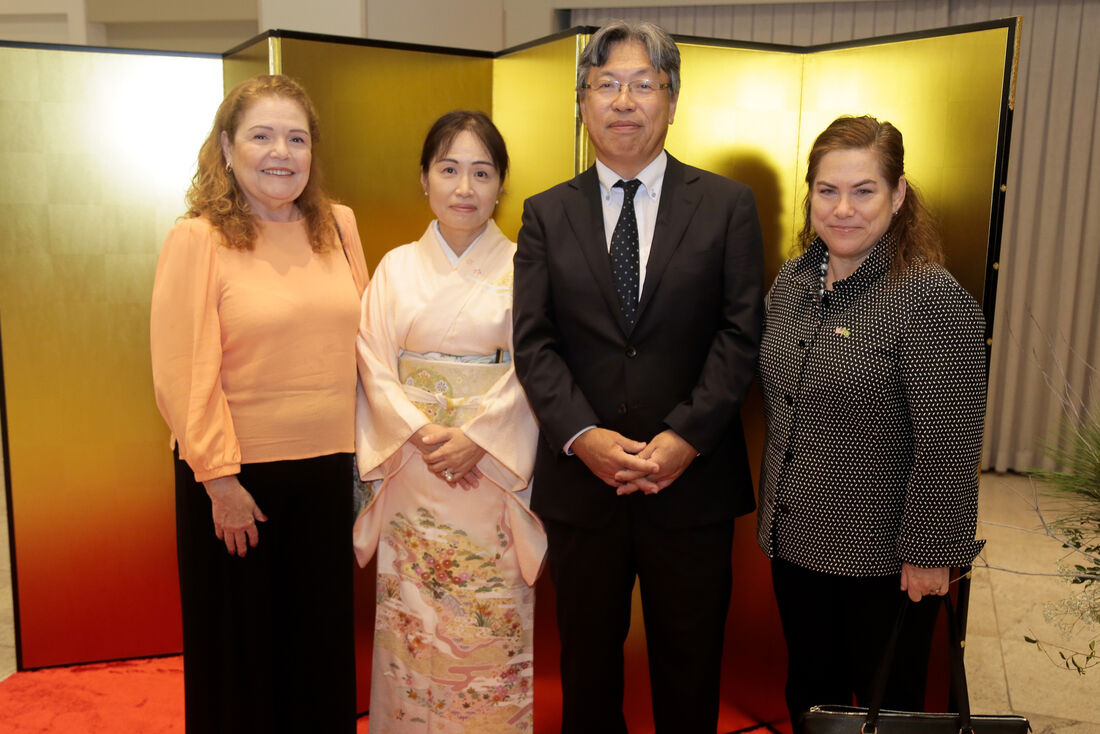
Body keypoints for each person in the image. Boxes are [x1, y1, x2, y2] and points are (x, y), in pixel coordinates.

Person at [512, 20, 764, 734]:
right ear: (581, 102)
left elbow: (740, 333)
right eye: (606, 85)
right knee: (586, 669)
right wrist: (583, 436)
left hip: (691, 486)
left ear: (673, 100)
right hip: (582, 489)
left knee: (690, 667)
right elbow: (535, 344)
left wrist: (684, 437)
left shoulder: (726, 206)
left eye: (643, 85)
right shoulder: (545, 214)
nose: (624, 102)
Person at [150, 74, 368, 733]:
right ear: (227, 146)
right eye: (262, 136)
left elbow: (367, 345)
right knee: (240, 658)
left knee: (318, 651)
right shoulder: (199, 237)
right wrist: (219, 480)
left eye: (296, 138)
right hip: (237, 482)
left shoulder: (338, 225)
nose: (281, 152)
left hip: (330, 471)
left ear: (313, 151)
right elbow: (183, 371)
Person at [756, 115, 987, 731]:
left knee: (890, 709)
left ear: (898, 195)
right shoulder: (794, 281)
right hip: (795, 540)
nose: (843, 209)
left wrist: (933, 554)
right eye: (828, 191)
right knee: (809, 696)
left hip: (887, 561)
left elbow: (949, 443)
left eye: (864, 191)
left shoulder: (928, 297)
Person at [352, 110, 546, 733]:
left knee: (487, 626)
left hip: (489, 473)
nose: (465, 188)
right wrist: (417, 431)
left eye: (481, 173)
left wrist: (477, 437)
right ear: (425, 179)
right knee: (413, 630)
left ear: (500, 184)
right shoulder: (394, 268)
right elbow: (373, 360)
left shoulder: (526, 267)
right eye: (450, 169)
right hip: (412, 471)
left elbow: (537, 365)